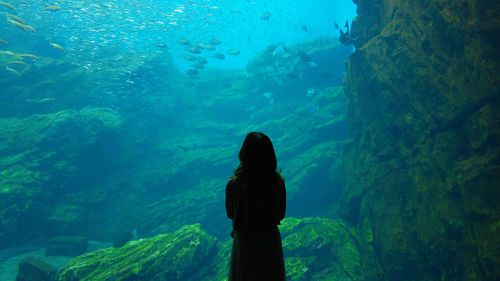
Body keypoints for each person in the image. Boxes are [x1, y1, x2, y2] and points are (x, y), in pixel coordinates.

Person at [225, 132, 286, 281]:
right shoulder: (277, 182)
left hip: (245, 241)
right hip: (269, 240)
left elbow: (230, 213)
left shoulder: (235, 184)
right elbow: (280, 214)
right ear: (270, 155)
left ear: (244, 154)